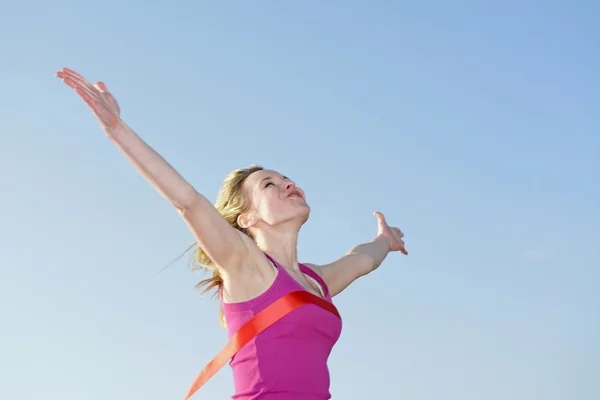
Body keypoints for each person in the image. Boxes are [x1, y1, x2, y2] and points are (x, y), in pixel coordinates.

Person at [56, 67, 408, 400]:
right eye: (269, 184)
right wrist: (119, 130)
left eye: (285, 178)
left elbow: (361, 260)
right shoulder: (246, 266)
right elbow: (189, 202)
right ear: (247, 219)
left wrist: (386, 241)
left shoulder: (316, 282)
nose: (287, 183)